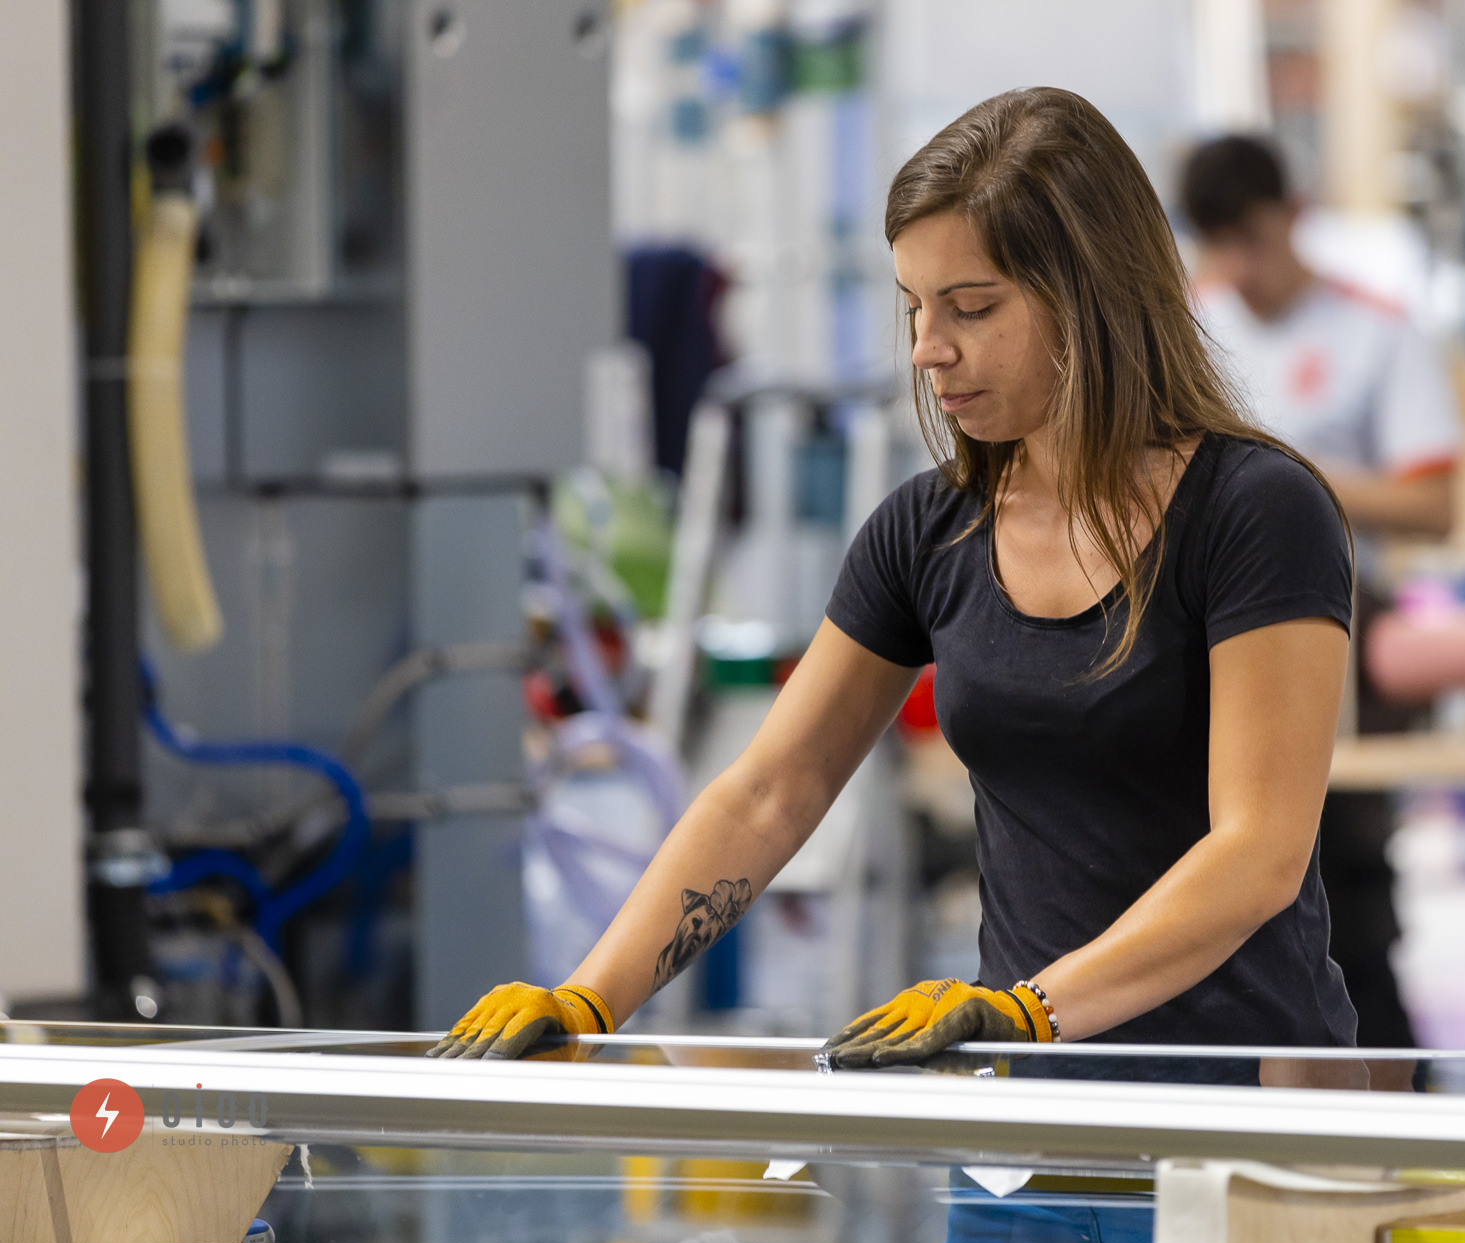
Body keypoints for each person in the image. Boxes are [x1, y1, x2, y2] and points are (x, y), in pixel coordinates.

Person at [430, 90, 1355, 1082]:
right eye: (915, 308)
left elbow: (1258, 850)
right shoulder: (929, 529)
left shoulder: (1255, 510)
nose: (926, 349)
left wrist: (1027, 1010)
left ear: (1091, 293)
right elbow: (770, 789)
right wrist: (591, 995)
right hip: (1017, 1117)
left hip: (1244, 1110)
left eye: (971, 307)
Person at [1180, 134, 1465, 1050]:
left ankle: (1386, 1116)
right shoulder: (1186, 327)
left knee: (1337, 900)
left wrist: (1281, 483)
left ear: (1293, 215)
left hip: (1329, 634)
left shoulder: (1375, 333)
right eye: (1218, 246)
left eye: (1252, 241)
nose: (1239, 268)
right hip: (1194, 632)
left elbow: (1435, 504)